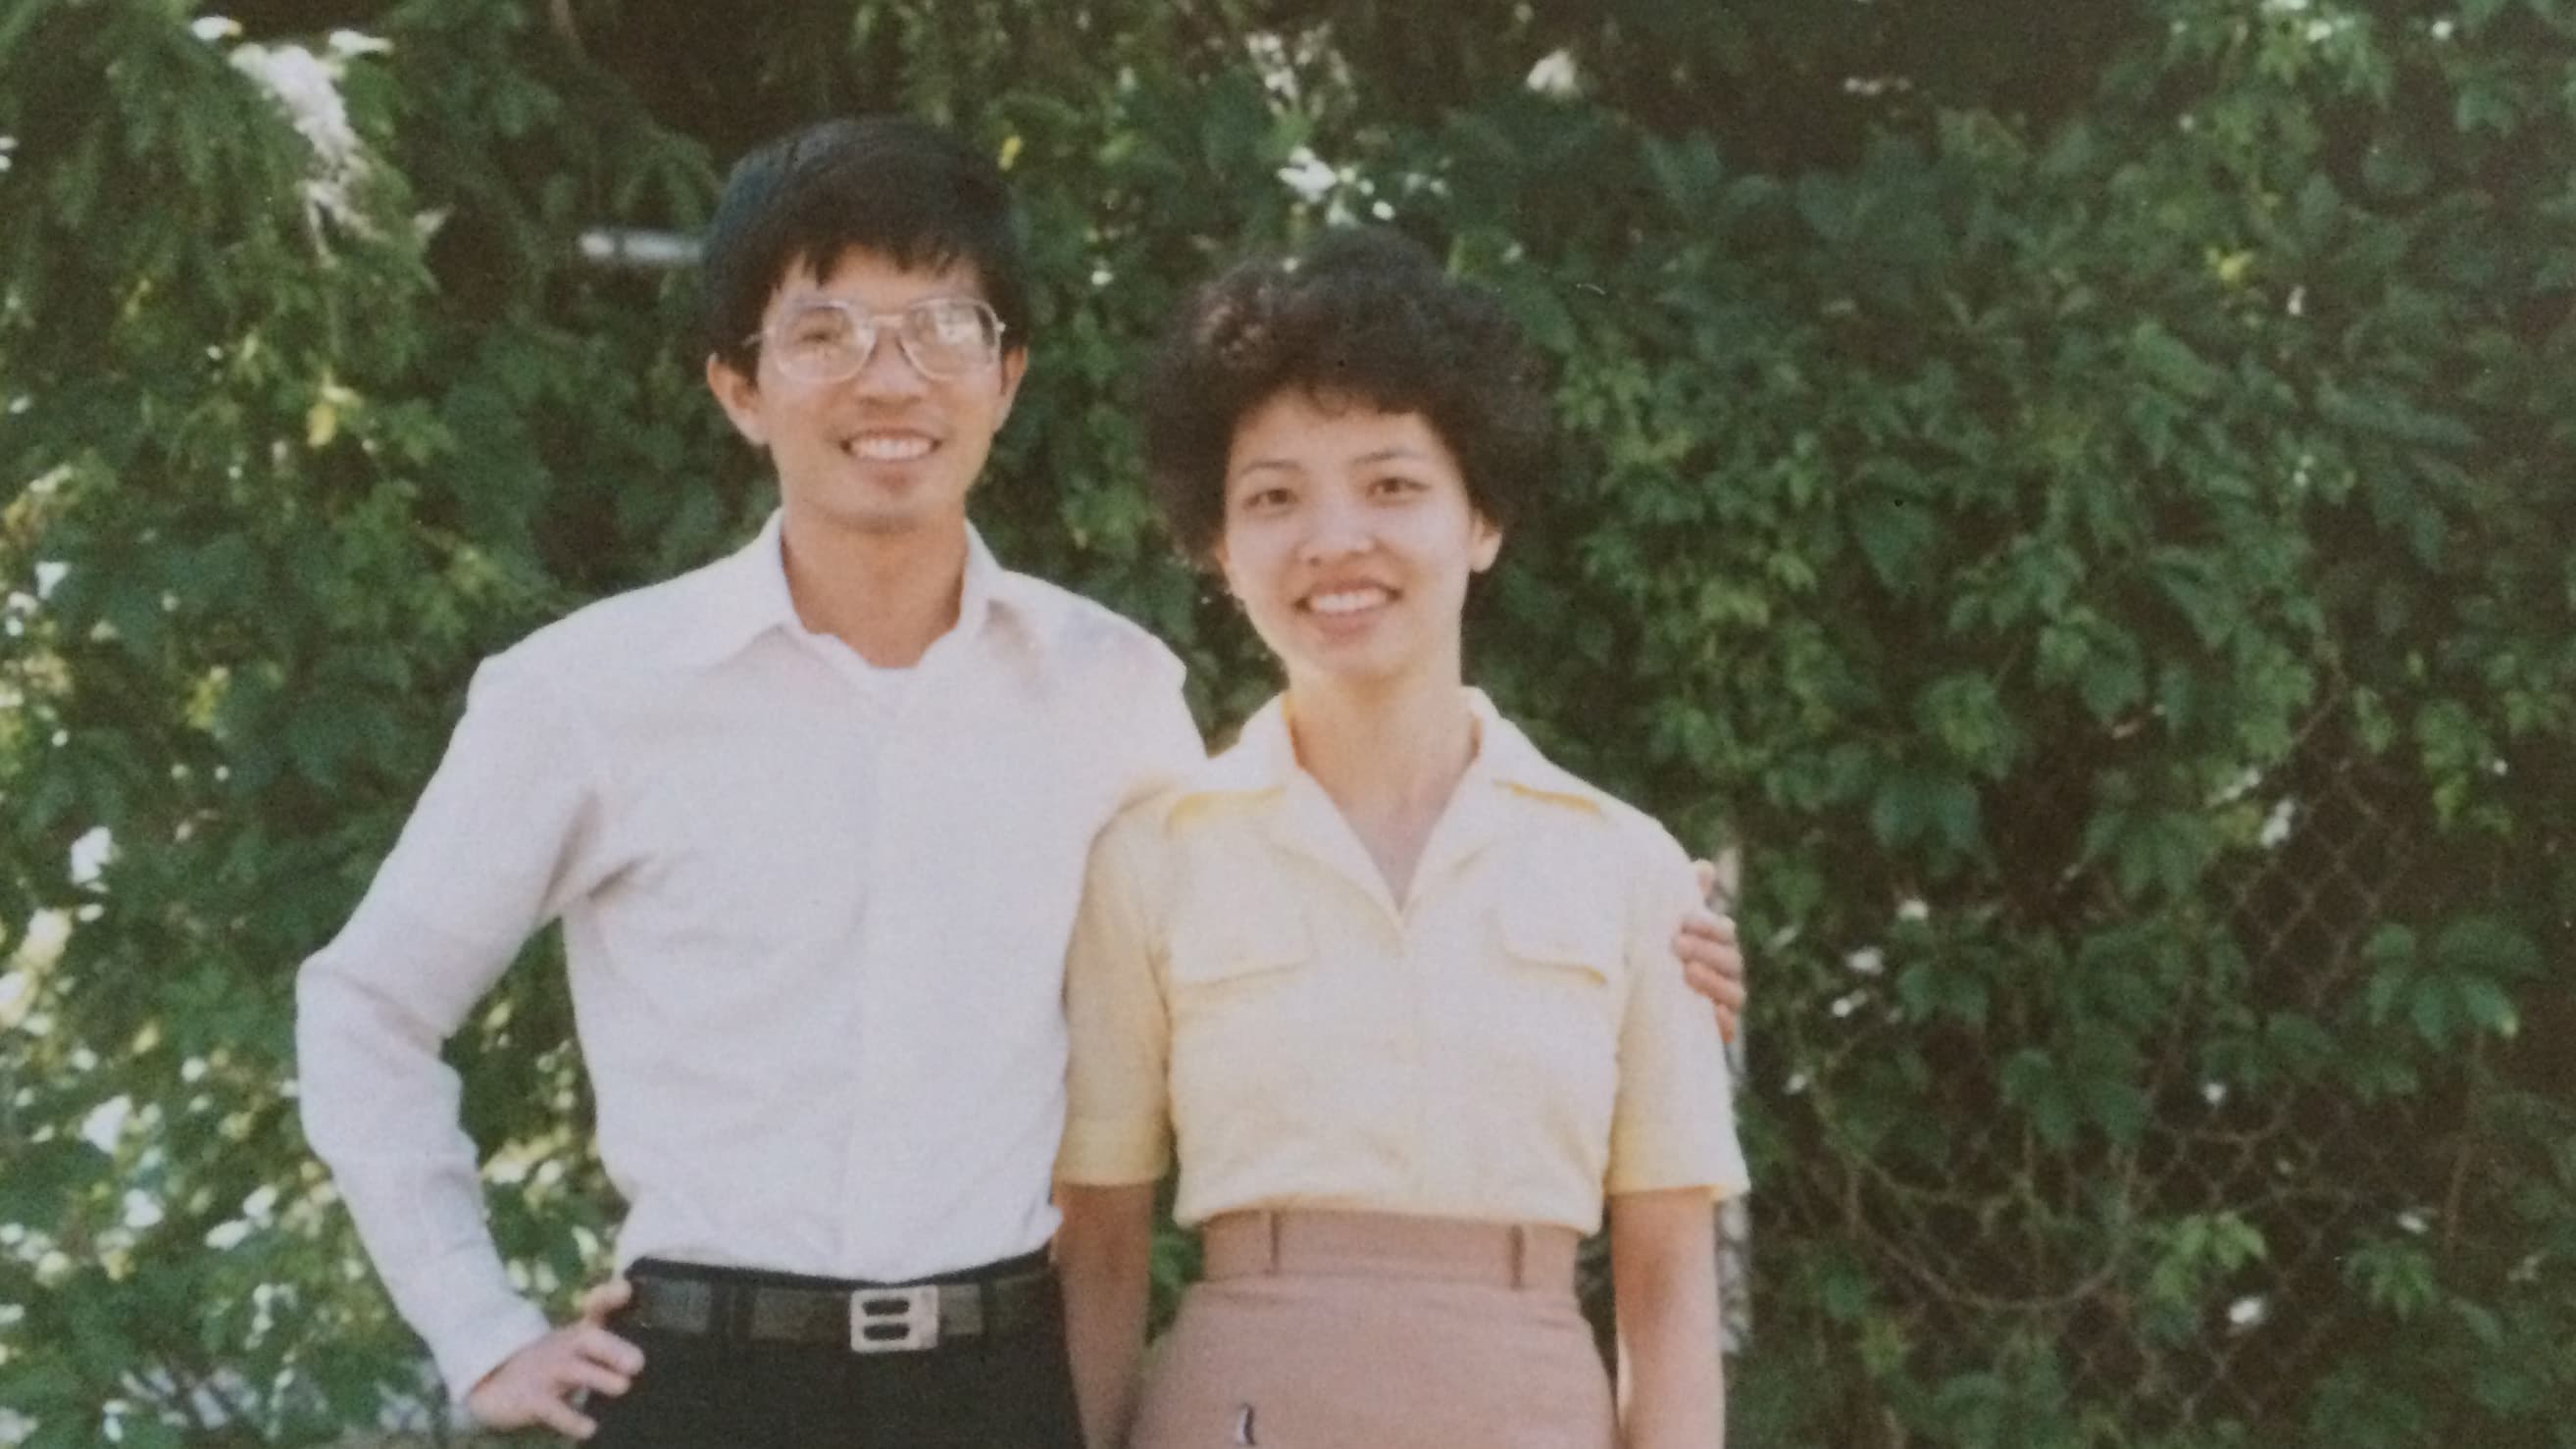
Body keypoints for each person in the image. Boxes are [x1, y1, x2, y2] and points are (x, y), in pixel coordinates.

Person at [295, 118, 1746, 1448]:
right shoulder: (590, 692)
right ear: (738, 387)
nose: (889, 376)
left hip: (989, 1381)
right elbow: (365, 1006)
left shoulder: (1108, 694)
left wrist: (1649, 953)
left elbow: (1277, 947)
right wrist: (480, 1330)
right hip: (704, 1377)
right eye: (824, 330)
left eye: (941, 325)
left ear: (1006, 376)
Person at [1055, 228, 1749, 1449]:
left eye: (1390, 485)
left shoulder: (1631, 869)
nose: (1334, 540)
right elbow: (1100, 1248)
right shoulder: (1150, 857)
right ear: (1218, 545)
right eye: (1274, 496)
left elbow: (1665, 1276)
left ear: (1481, 518)